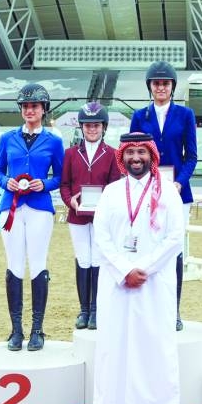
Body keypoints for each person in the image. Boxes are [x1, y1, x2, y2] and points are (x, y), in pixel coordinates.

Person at [85, 132, 184, 404]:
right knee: (112, 346)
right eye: (130, 153)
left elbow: (175, 237)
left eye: (142, 152)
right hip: (116, 282)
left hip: (154, 283)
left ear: (152, 156)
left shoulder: (167, 191)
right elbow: (100, 237)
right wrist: (124, 270)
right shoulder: (111, 192)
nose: (136, 158)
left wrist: (144, 269)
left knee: (152, 345)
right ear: (123, 157)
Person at [0, 83, 65, 351]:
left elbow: (60, 176)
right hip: (10, 207)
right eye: (25, 106)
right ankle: (16, 331)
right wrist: (6, 181)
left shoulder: (54, 142)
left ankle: (37, 329)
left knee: (37, 264)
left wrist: (44, 184)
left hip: (39, 208)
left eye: (34, 106)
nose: (29, 110)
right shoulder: (6, 138)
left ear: (43, 109)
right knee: (13, 265)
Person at [130, 61, 198, 331]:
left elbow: (191, 156)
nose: (161, 87)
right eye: (156, 83)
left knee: (174, 250)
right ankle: (148, 306)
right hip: (146, 189)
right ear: (150, 87)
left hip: (177, 191)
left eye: (165, 83)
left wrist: (179, 183)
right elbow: (132, 153)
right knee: (148, 246)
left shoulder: (186, 115)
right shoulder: (139, 116)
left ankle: (174, 309)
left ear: (172, 87)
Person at [59, 102, 122, 331]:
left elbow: (115, 186)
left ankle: (96, 308)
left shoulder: (114, 154)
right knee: (83, 259)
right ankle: (83, 309)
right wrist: (71, 201)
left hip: (101, 217)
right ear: (82, 127)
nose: (92, 129)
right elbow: (64, 184)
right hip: (78, 216)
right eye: (87, 125)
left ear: (103, 127)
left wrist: (104, 203)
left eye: (96, 125)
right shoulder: (71, 154)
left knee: (98, 259)